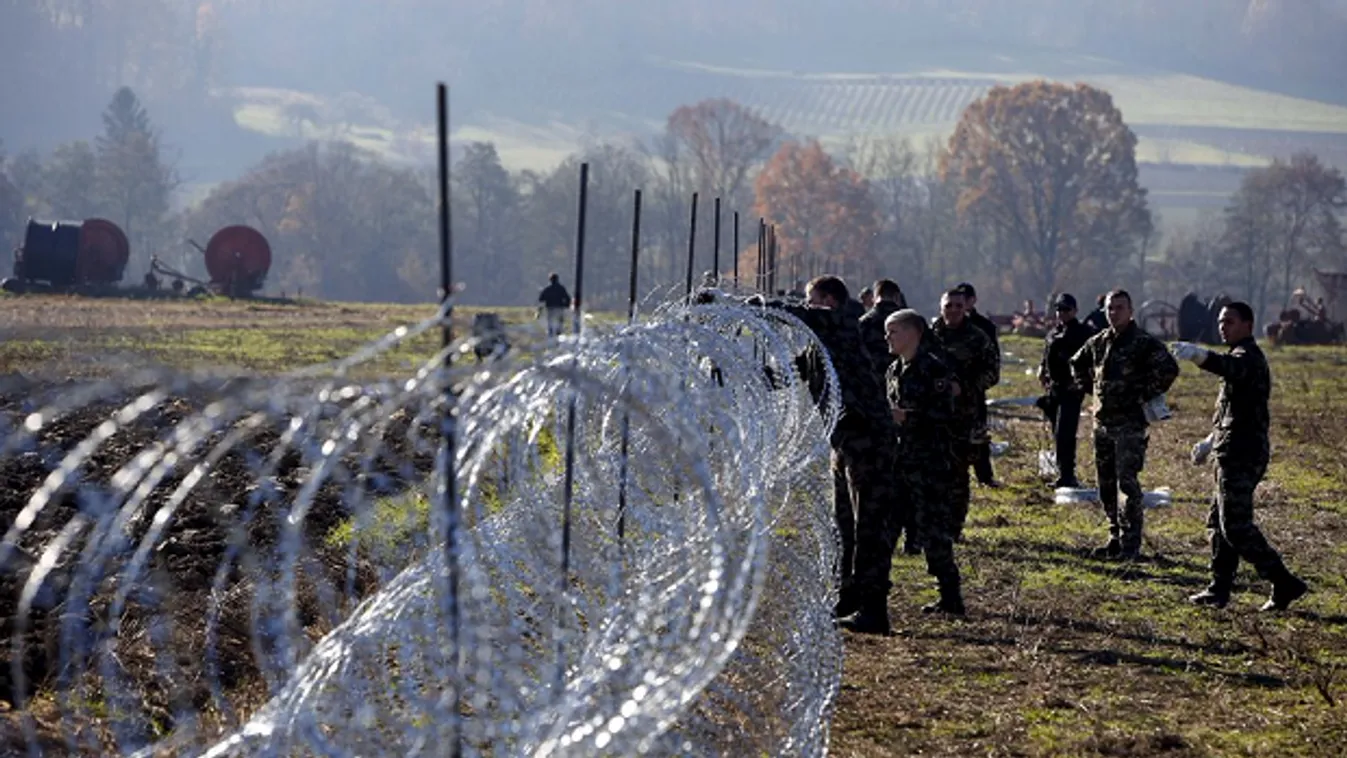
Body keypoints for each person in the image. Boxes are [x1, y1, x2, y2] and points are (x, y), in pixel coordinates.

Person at [760, 276, 899, 633]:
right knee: (846, 526)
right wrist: (738, 374)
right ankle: (849, 596)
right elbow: (788, 375)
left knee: (869, 525)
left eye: (812, 299)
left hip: (867, 439)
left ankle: (874, 608)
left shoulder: (842, 321)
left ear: (829, 301)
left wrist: (746, 306)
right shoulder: (820, 346)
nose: (807, 305)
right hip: (845, 443)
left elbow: (798, 316)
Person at [1172, 302, 1309, 612]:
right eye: (1221, 322)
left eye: (1230, 322)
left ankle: (1283, 580)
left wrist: (1200, 356)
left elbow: (1229, 369)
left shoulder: (1248, 357)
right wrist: (1210, 441)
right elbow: (1233, 411)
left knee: (1235, 526)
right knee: (1218, 524)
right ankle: (1218, 589)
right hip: (1229, 449)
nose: (1224, 327)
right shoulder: (1238, 354)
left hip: (1242, 454)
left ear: (1247, 325)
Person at [1070, 289, 1180, 560]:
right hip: (1103, 424)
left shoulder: (1143, 343)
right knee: (1105, 484)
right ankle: (1115, 538)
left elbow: (1169, 369)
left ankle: (1131, 544)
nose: (1114, 313)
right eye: (1110, 308)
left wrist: (1141, 395)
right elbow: (1076, 364)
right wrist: (1093, 391)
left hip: (1129, 425)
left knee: (1126, 484)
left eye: (1119, 307)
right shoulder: (1099, 342)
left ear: (1130, 311)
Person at [883, 309, 965, 617]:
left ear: (913, 333)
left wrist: (909, 418)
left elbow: (945, 415)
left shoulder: (933, 370)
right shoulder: (893, 370)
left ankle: (950, 596)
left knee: (933, 533)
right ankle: (874, 592)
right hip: (900, 462)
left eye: (894, 332)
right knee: (886, 529)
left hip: (929, 463)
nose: (887, 338)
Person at [930, 288, 999, 541]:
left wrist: (965, 386)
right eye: (949, 305)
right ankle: (932, 523)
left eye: (958, 305)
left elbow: (992, 372)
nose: (954, 310)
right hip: (933, 414)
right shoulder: (929, 334)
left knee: (959, 473)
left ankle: (954, 527)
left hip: (965, 414)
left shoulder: (978, 337)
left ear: (966, 307)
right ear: (941, 307)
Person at [1037, 293, 1093, 488]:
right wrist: (1042, 370)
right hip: (1054, 389)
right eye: (1059, 309)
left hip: (1071, 390)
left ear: (1075, 311)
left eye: (1066, 309)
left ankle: (1068, 476)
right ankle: (1063, 472)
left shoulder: (1083, 333)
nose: (1062, 313)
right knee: (1057, 432)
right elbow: (1046, 355)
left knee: (1065, 433)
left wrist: (1081, 383)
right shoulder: (1053, 333)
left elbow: (1089, 361)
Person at [954, 282, 1002, 487]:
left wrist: (975, 385)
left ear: (972, 301)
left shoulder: (983, 327)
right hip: (948, 393)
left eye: (964, 300)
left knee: (979, 435)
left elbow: (993, 362)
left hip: (973, 391)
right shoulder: (941, 327)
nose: (960, 306)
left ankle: (984, 475)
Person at [859, 279, 906, 381]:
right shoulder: (909, 322)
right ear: (897, 296)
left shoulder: (863, 323)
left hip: (871, 383)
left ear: (874, 297)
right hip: (903, 382)